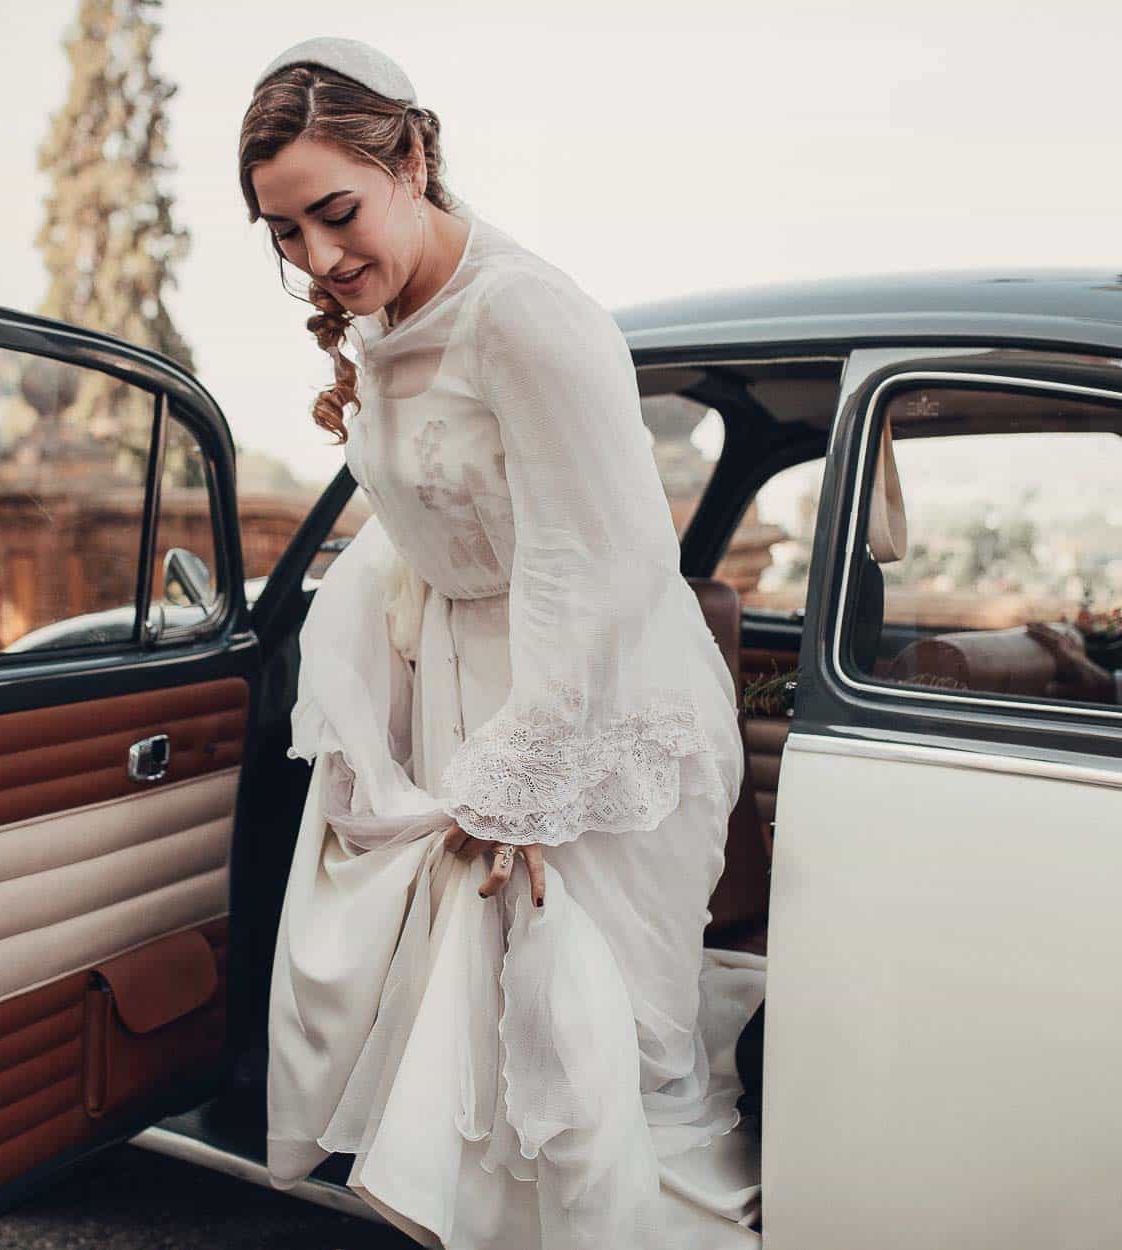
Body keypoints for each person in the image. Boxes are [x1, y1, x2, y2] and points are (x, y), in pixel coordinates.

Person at [242, 38, 767, 1249]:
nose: (319, 259)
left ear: (413, 155)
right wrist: (356, 671)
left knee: (594, 1039)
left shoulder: (522, 312)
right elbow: (428, 519)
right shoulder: (385, 311)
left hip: (587, 708)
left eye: (336, 214)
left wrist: (515, 774)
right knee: (486, 1051)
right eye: (284, 234)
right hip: (464, 692)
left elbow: (600, 559)